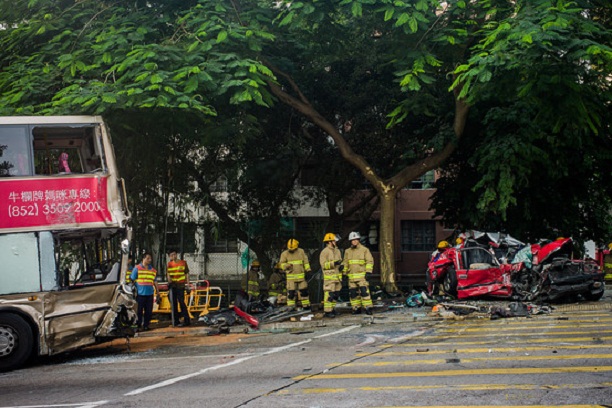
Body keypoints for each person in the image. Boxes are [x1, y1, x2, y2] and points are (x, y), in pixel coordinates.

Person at [343, 231, 374, 315]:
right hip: (351, 277)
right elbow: (345, 263)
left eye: (356, 239)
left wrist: (368, 272)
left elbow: (369, 261)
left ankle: (368, 308)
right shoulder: (347, 251)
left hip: (362, 276)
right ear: (350, 241)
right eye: (353, 240)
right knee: (353, 294)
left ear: (358, 240)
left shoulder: (364, 250)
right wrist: (344, 274)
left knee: (364, 293)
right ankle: (356, 308)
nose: (354, 241)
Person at [130, 253, 160, 331]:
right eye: (148, 258)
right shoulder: (137, 268)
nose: (150, 260)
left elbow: (155, 281)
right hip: (140, 294)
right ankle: (138, 325)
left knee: (148, 311)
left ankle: (146, 325)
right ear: (143, 258)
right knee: (139, 311)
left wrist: (158, 292)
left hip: (150, 294)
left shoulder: (153, 270)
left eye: (150, 258)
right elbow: (132, 280)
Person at [279, 238, 311, 310]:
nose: (291, 250)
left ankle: (306, 307)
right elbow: (281, 264)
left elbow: (305, 262)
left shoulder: (301, 251)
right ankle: (291, 308)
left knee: (304, 292)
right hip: (291, 278)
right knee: (291, 294)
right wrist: (286, 266)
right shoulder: (284, 254)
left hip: (301, 277)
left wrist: (308, 270)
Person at [320, 233, 343, 318]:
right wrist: (333, 263)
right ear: (329, 242)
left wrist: (341, 266)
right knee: (329, 295)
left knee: (336, 294)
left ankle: (332, 309)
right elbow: (323, 265)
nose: (335, 242)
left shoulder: (337, 251)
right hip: (329, 278)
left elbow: (340, 261)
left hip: (337, 277)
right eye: (334, 240)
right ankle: (327, 311)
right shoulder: (324, 252)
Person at [167, 250, 191, 327]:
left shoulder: (183, 263)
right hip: (173, 285)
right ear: (169, 256)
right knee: (173, 303)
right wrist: (169, 282)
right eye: (171, 255)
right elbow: (168, 274)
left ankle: (186, 320)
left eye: (174, 254)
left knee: (181, 302)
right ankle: (176, 320)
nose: (173, 256)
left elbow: (186, 274)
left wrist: (187, 285)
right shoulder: (169, 264)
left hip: (180, 285)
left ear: (176, 254)